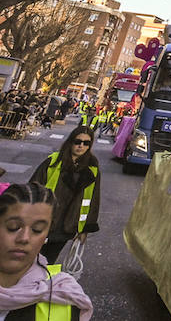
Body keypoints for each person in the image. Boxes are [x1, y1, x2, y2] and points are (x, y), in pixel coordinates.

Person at [0, 183, 92, 320]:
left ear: (47, 234)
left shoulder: (64, 295)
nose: (24, 238)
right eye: (13, 227)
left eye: (37, 229)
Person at [27, 127, 99, 264]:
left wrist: (85, 229)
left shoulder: (92, 168)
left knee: (48, 263)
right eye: (77, 141)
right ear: (70, 141)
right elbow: (32, 188)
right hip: (43, 222)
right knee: (27, 259)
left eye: (86, 143)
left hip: (67, 226)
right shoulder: (53, 162)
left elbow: (94, 200)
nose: (81, 146)